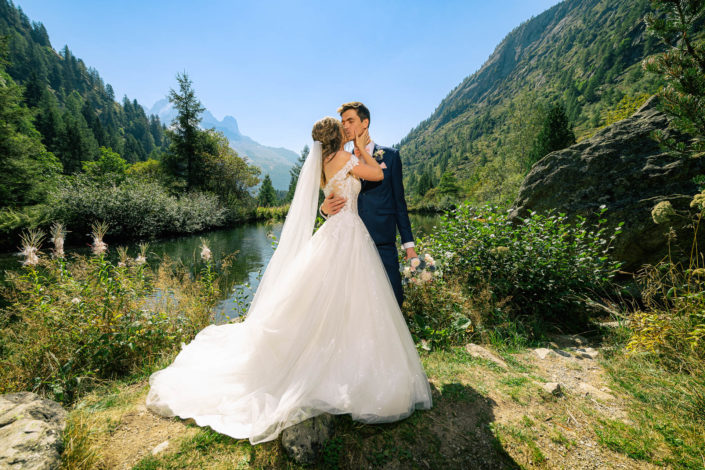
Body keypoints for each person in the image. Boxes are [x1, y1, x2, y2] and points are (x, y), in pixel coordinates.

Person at [145, 116, 433, 445]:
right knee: (352, 299)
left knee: (323, 299)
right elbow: (378, 174)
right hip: (349, 234)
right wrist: (362, 148)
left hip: (334, 233)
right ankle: (346, 364)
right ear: (337, 135)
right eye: (343, 128)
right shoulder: (347, 157)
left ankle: (332, 356)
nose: (347, 129)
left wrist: (326, 205)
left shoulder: (322, 163)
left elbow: (330, 196)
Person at [321, 102, 416, 307]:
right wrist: (323, 210)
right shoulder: (338, 158)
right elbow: (330, 192)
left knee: (393, 301)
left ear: (365, 123)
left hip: (382, 242)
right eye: (342, 122)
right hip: (348, 244)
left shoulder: (390, 156)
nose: (345, 126)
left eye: (350, 121)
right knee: (353, 304)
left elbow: (399, 202)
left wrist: (409, 245)